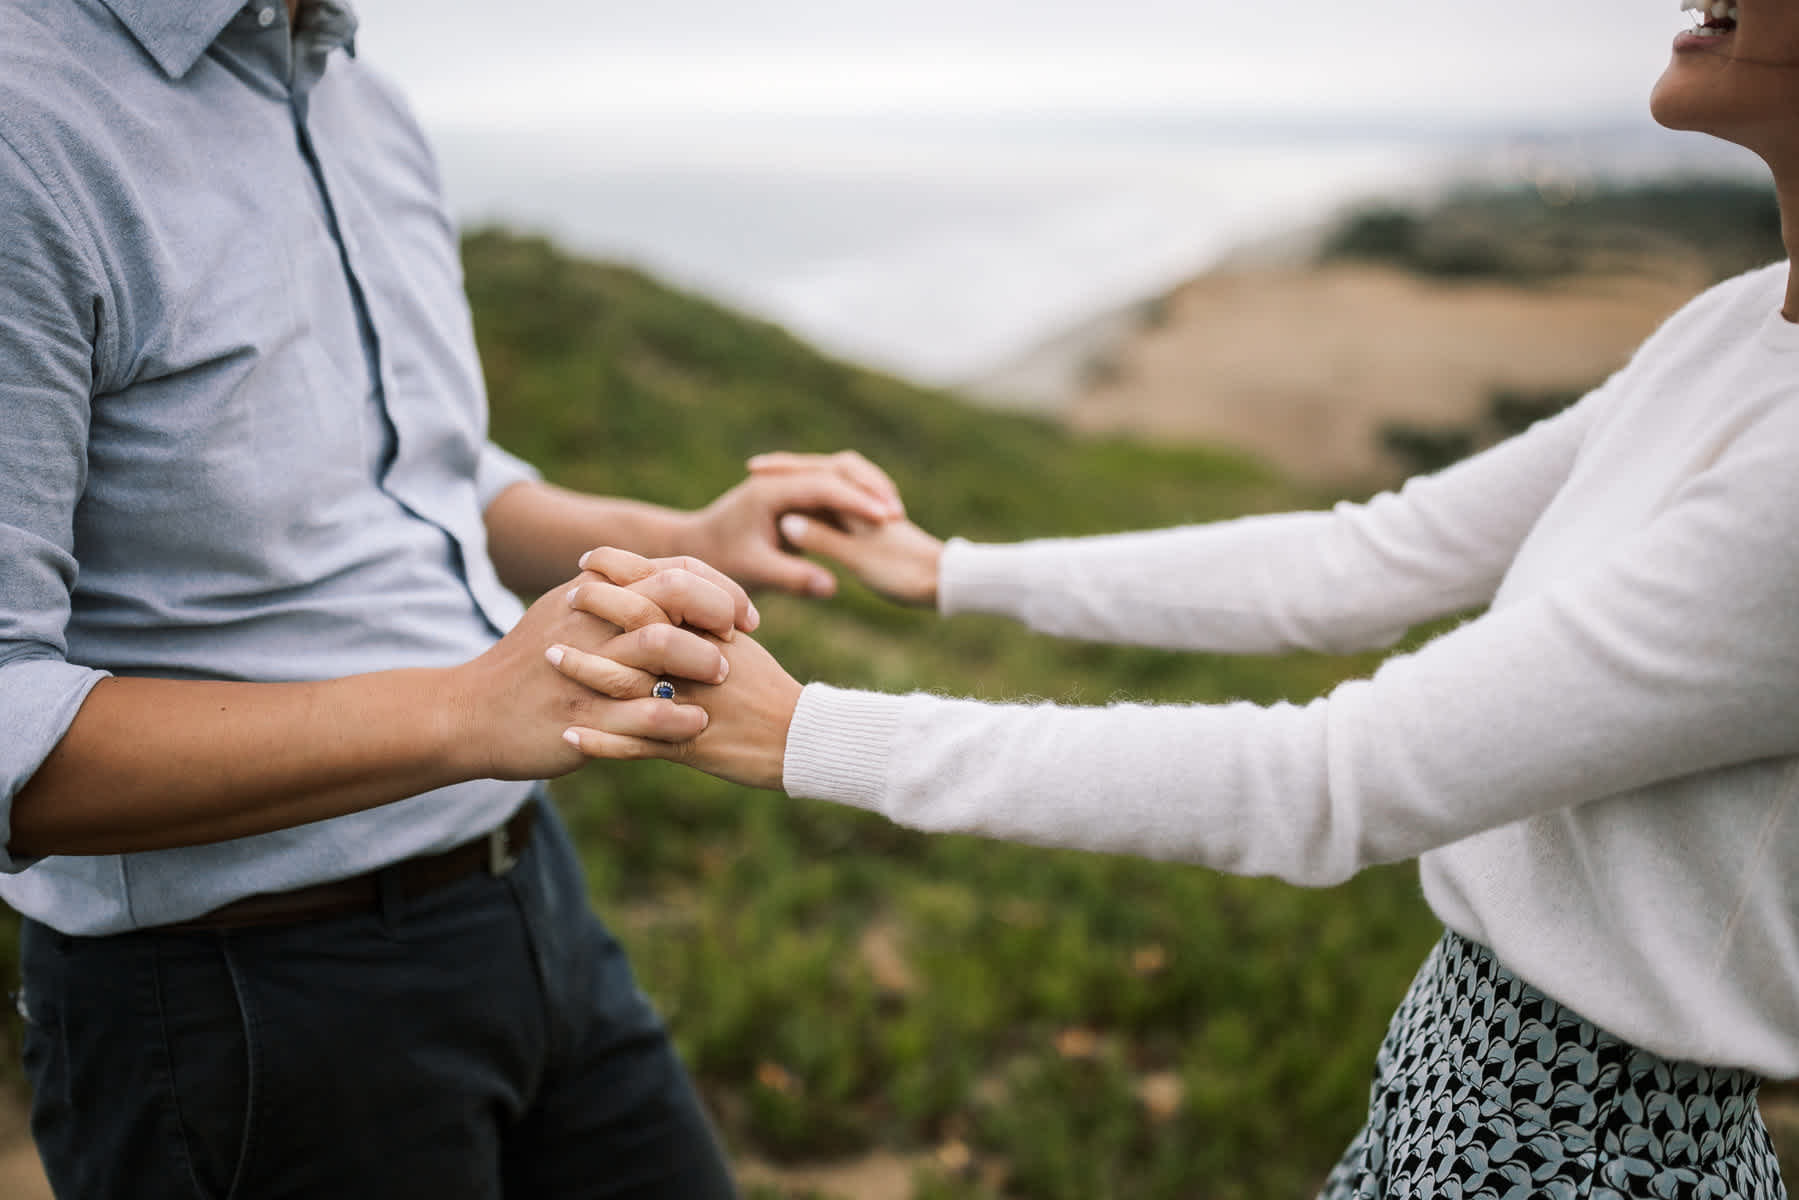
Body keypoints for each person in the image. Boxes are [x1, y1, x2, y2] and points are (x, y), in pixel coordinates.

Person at [550, 2, 1799, 1194]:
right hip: (1445, 1082)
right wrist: (948, 571)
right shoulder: (1729, 327)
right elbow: (1365, 560)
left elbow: (1333, 782)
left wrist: (807, 733)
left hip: (1583, 1157)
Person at [0, 2, 909, 1196]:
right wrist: (466, 709)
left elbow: (412, 475)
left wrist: (683, 539)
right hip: (241, 1007)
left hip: (529, 898)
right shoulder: (26, 125)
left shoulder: (358, 97)